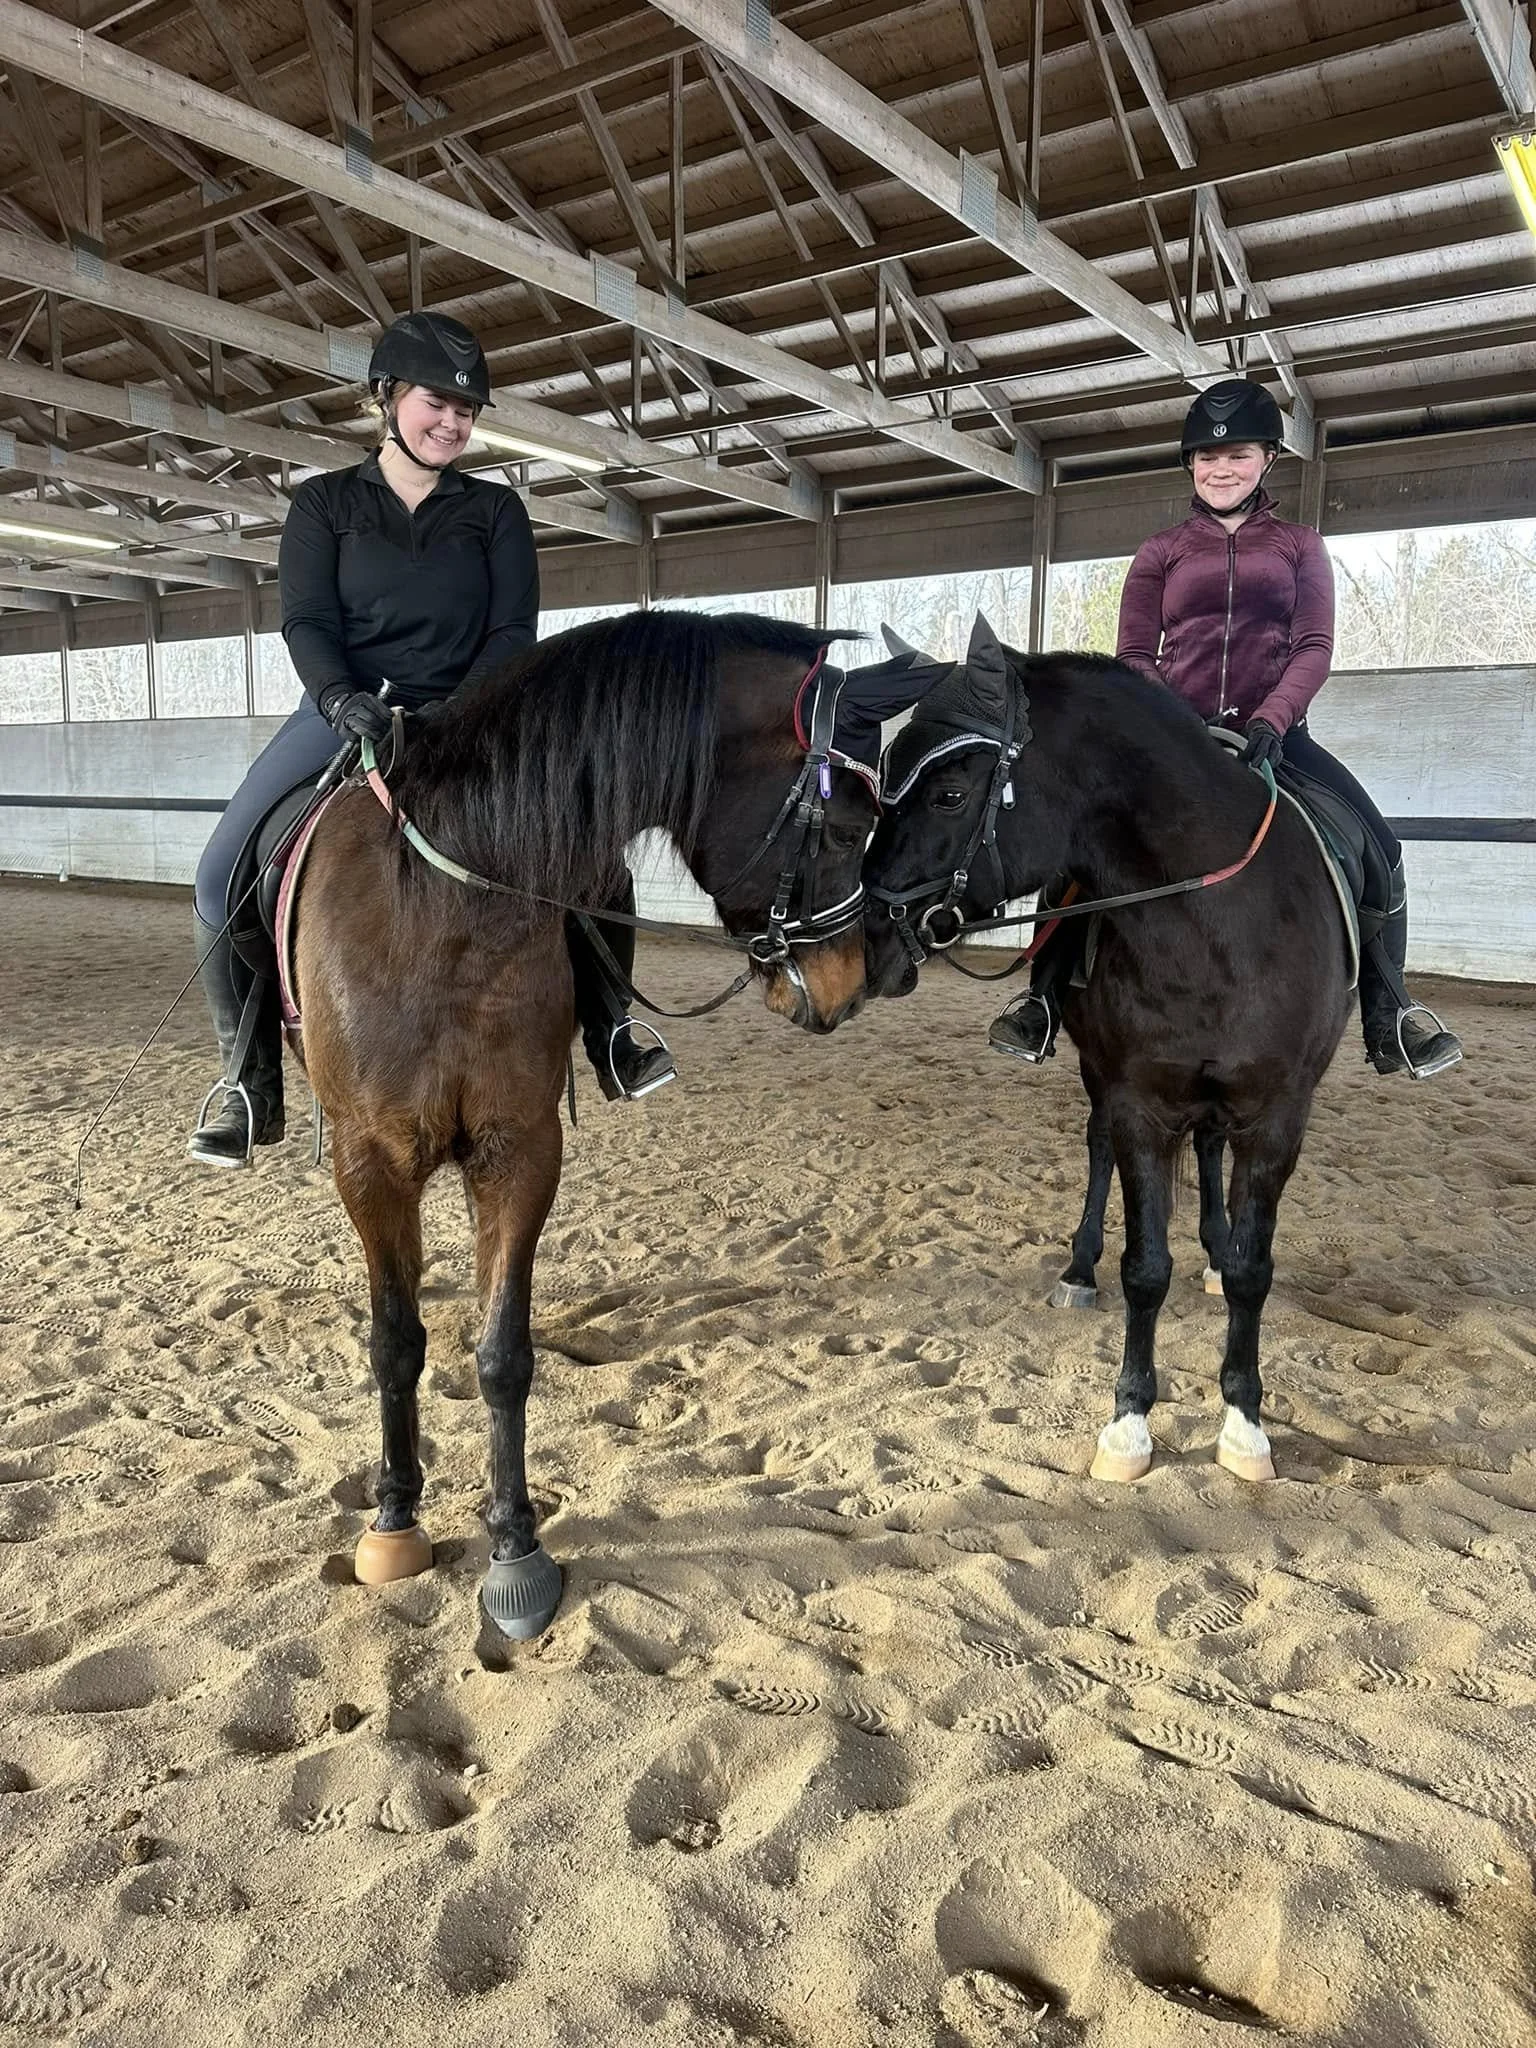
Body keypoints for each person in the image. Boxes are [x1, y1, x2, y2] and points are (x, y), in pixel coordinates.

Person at [187, 312, 673, 1169]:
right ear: (388, 399)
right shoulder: (325, 505)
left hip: (474, 715)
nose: (452, 423)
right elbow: (306, 621)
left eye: (468, 411)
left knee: (598, 860)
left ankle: (613, 1033)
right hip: (344, 711)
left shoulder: (494, 511)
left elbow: (512, 627)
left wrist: (467, 710)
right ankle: (245, 1078)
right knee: (222, 867)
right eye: (437, 403)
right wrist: (340, 700)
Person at [989, 377, 1462, 1081]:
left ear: (1268, 457)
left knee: (1380, 846)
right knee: (1079, 843)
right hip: (1171, 745)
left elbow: (1314, 647)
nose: (1222, 468)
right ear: (1189, 465)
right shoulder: (1160, 553)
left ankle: (1388, 1011)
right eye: (1207, 457)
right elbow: (1133, 658)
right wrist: (1174, 729)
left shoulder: (1302, 546)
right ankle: (1044, 1000)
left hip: (1278, 736)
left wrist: (1273, 719)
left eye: (1237, 454)